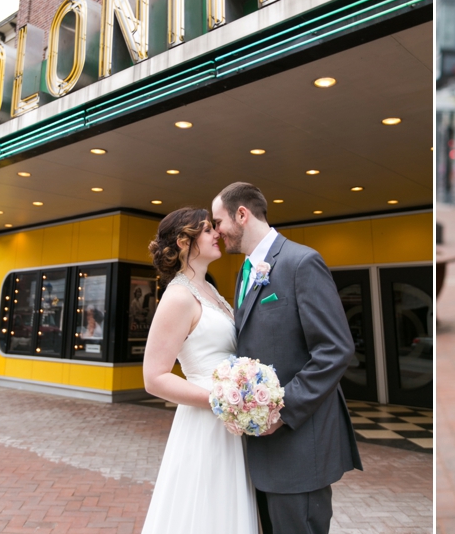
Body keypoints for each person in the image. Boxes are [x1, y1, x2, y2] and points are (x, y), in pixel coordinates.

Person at [212, 182, 361, 534]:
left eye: (219, 222)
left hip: (298, 445)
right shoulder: (244, 272)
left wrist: (281, 410)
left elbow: (335, 349)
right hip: (262, 449)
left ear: (242, 215)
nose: (217, 232)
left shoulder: (300, 261)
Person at [141, 207, 258, 534]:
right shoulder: (178, 297)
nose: (217, 233)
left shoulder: (212, 292)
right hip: (205, 421)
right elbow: (154, 378)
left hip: (231, 420)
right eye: (207, 230)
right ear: (183, 242)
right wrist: (221, 400)